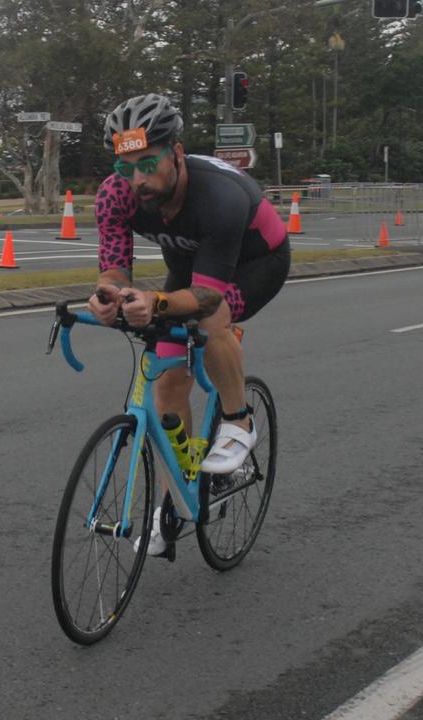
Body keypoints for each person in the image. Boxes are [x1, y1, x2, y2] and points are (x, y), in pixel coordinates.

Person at [88, 93, 291, 555]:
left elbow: (207, 295)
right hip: (187, 261)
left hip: (255, 261)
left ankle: (239, 423)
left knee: (209, 318)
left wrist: (156, 301)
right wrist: (109, 296)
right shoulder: (114, 195)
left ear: (176, 153)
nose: (137, 179)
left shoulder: (218, 196)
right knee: (167, 375)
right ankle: (173, 500)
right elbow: (114, 269)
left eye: (148, 163)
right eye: (126, 167)